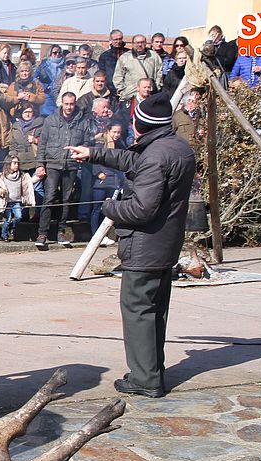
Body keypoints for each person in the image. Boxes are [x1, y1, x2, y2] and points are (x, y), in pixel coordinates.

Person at [66, 91, 195, 397]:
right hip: (165, 245)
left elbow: (141, 209)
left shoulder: (157, 155)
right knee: (154, 311)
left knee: (138, 311)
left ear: (143, 124)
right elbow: (132, 160)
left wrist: (110, 209)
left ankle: (145, 379)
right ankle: (152, 370)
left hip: (145, 246)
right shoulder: (176, 147)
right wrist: (94, 153)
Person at [34, 91, 90, 247]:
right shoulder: (50, 120)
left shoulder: (82, 122)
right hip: (52, 164)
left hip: (71, 166)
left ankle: (61, 231)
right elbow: (42, 144)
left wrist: (80, 153)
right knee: (49, 197)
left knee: (66, 200)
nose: (69, 107)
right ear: (61, 103)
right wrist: (40, 164)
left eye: (72, 104)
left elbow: (86, 142)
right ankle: (42, 233)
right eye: (66, 104)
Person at [0, 153, 37, 242]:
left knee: (19, 216)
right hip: (7, 202)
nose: (16, 165)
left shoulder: (21, 176)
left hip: (17, 201)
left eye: (17, 163)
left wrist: (38, 177)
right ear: (8, 164)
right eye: (14, 163)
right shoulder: (2, 176)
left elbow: (29, 182)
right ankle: (3, 234)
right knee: (7, 219)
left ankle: (13, 228)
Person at [114, 34, 162, 100]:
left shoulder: (153, 56)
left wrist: (156, 88)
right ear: (133, 44)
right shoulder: (125, 57)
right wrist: (122, 92)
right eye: (137, 42)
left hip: (149, 96)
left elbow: (159, 74)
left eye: (142, 42)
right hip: (130, 96)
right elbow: (118, 76)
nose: (140, 45)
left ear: (145, 43)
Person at [35, 44, 65, 116]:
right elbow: (34, 77)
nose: (57, 54)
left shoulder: (65, 66)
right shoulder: (43, 65)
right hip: (48, 94)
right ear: (50, 53)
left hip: (60, 93)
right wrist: (43, 86)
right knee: (48, 116)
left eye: (59, 52)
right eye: (55, 52)